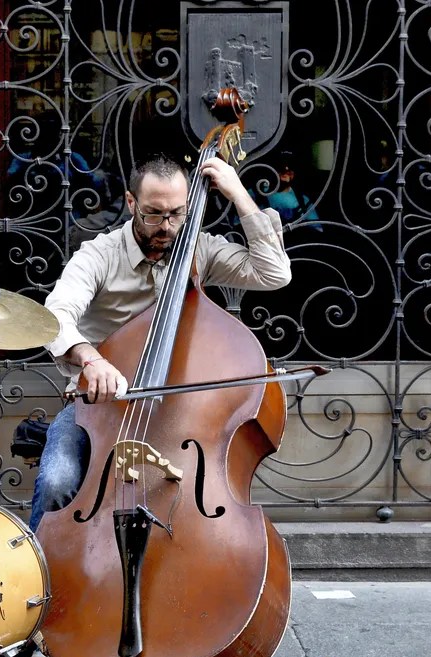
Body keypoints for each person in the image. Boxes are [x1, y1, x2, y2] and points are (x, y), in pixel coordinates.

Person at [28, 153, 293, 531]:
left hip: (178, 411)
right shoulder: (100, 254)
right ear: (131, 202)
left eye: (177, 213)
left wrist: (239, 195)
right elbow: (55, 317)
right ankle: (40, 567)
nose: (167, 226)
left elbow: (274, 273)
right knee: (58, 481)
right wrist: (91, 359)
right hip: (99, 408)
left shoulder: (198, 250)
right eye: (153, 214)